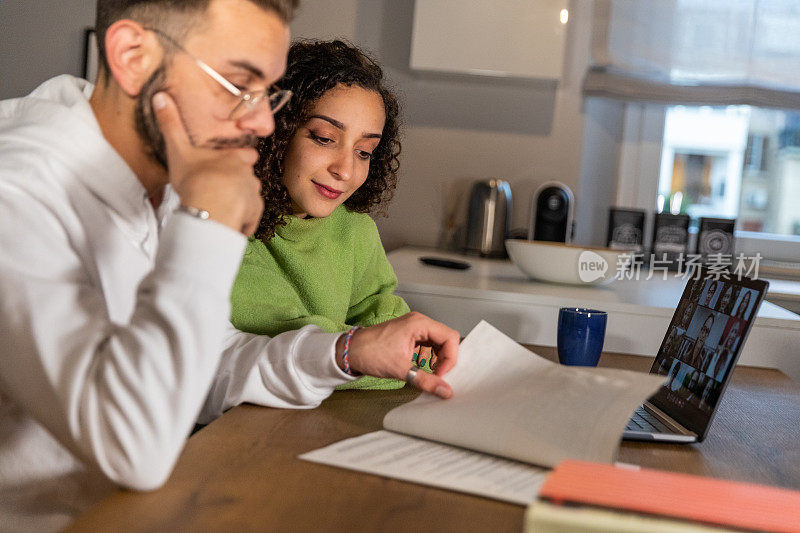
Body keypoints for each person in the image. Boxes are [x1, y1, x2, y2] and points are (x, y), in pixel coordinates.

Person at [0, 1, 459, 530]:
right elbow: (135, 446)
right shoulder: (20, 195)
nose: (263, 121)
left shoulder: (160, 177)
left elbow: (213, 365)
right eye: (239, 84)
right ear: (132, 56)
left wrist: (349, 351)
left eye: (268, 93)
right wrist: (208, 222)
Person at [230, 40, 430, 390]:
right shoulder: (226, 225)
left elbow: (386, 319)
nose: (346, 170)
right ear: (275, 129)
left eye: (364, 151)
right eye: (324, 138)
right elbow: (297, 343)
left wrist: (408, 349)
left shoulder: (354, 230)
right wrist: (378, 354)